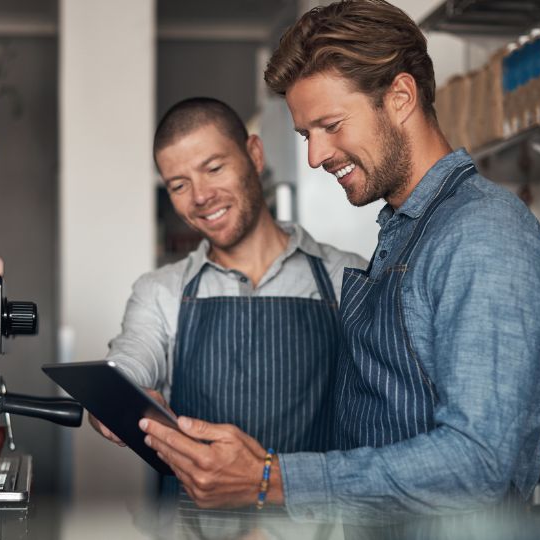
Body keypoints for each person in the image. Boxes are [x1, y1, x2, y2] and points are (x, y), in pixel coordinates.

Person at [139, 0, 540, 534]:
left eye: (331, 125)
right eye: (305, 135)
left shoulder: (483, 236)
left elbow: (478, 465)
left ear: (401, 98)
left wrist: (273, 479)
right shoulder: (407, 232)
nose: (316, 156)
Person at [95, 97, 366, 538]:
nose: (200, 197)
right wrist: (116, 396)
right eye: (178, 185)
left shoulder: (345, 276)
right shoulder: (161, 291)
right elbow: (132, 355)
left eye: (214, 168)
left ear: (254, 155)